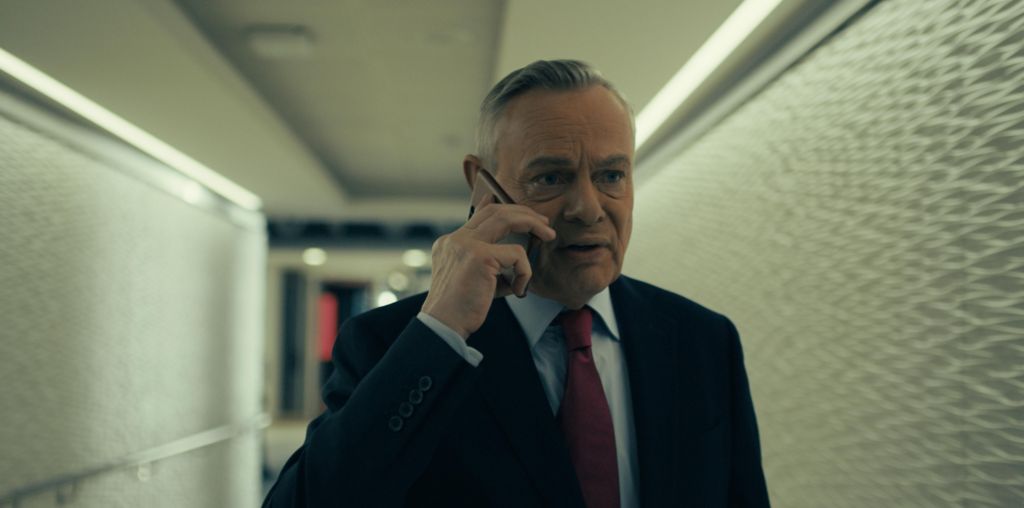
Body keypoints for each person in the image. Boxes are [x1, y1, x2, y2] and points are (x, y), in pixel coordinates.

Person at [263, 59, 769, 507]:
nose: (588, 208)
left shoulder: (703, 340)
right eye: (551, 178)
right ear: (482, 186)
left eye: (612, 175)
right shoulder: (393, 344)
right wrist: (441, 331)